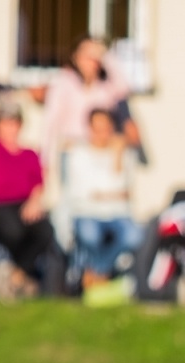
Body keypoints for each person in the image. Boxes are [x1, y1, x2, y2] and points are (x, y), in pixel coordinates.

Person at [0, 96, 57, 295]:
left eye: (14, 123)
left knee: (45, 231)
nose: (10, 127)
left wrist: (34, 202)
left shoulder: (29, 154)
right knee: (13, 231)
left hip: (24, 204)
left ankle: (16, 275)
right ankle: (27, 275)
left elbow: (38, 183)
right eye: (5, 123)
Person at [40, 37, 134, 177]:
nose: (91, 60)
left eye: (94, 56)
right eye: (86, 55)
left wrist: (106, 55)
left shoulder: (104, 88)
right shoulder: (63, 83)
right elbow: (50, 122)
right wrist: (45, 158)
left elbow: (124, 88)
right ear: (76, 57)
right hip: (72, 150)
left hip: (100, 152)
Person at [66, 108, 140, 285]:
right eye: (97, 128)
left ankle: (97, 273)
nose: (102, 134)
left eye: (106, 128)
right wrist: (109, 193)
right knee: (90, 235)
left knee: (134, 236)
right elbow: (84, 192)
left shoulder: (122, 153)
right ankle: (103, 274)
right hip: (87, 212)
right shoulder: (78, 154)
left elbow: (123, 189)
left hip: (117, 213)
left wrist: (117, 156)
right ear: (89, 129)